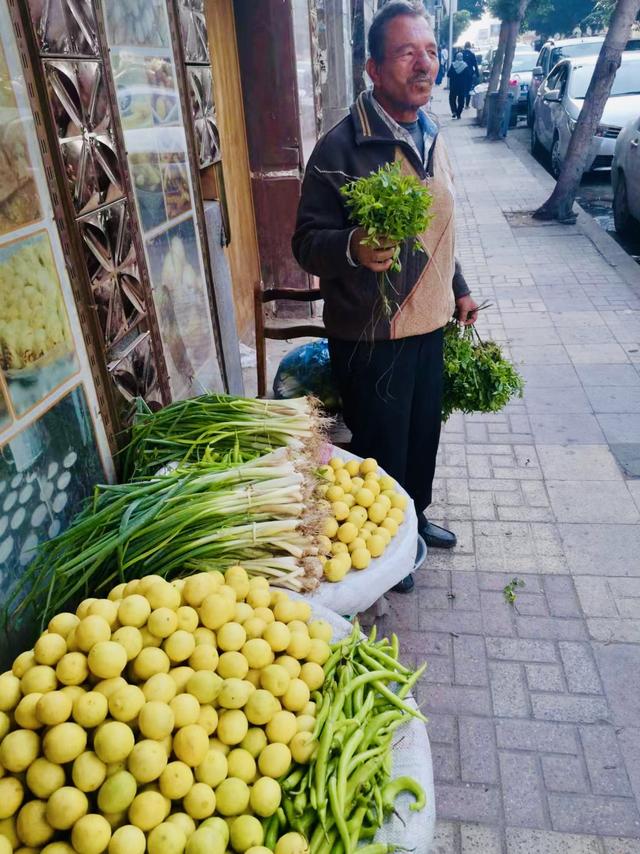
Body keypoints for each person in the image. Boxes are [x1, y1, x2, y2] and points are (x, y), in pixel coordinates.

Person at [291, 0, 478, 592]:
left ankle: (414, 521)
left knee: (423, 435)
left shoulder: (430, 130)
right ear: (373, 69)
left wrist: (461, 289)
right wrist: (351, 246)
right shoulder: (341, 147)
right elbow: (304, 242)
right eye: (406, 53)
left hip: (429, 324)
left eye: (430, 51)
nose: (424, 64)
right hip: (372, 335)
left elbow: (435, 229)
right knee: (380, 449)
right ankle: (389, 549)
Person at [447, 51, 471, 119]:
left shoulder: (453, 65)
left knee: (452, 99)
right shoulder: (465, 66)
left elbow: (448, 74)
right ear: (462, 58)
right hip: (462, 86)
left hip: (453, 86)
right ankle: (458, 113)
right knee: (461, 100)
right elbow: (469, 76)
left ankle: (454, 111)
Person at [462, 41, 480, 108]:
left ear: (465, 46)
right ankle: (467, 104)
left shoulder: (462, 54)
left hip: (462, 74)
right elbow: (475, 65)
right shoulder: (472, 54)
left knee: (462, 88)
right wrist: (477, 74)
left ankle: (461, 102)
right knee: (469, 88)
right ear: (469, 47)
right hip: (469, 74)